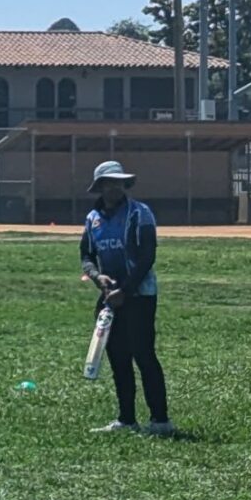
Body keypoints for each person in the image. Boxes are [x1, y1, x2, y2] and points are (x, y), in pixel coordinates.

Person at [81, 160, 171, 436]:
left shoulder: (140, 214)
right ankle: (126, 419)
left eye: (118, 182)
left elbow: (147, 256)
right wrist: (98, 278)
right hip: (109, 298)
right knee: (118, 357)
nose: (114, 188)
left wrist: (127, 290)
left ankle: (160, 421)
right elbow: (86, 255)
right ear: (100, 187)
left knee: (143, 355)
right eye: (108, 183)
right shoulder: (92, 219)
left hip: (139, 296)